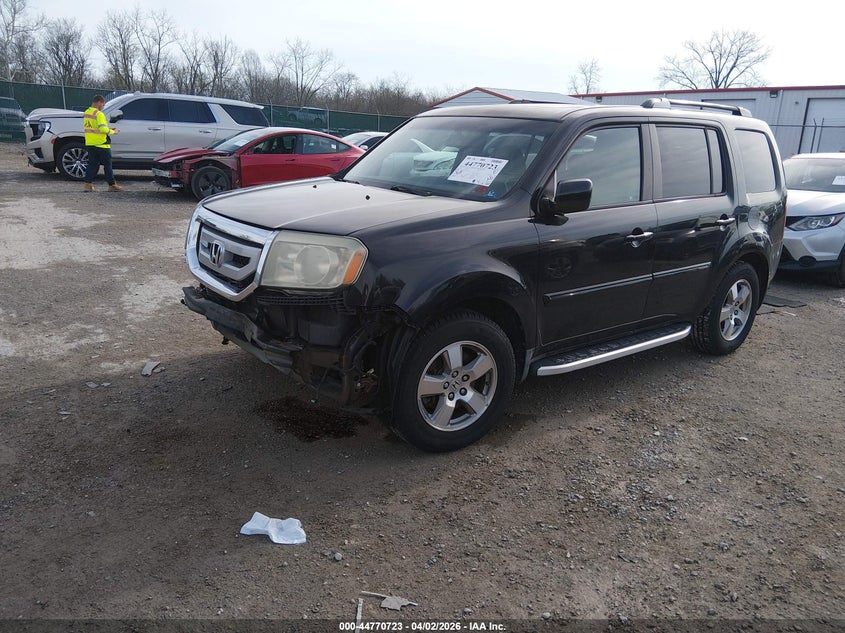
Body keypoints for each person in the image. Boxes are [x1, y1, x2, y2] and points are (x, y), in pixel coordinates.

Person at [83, 95, 123, 192]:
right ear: (99, 102)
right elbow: (102, 129)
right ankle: (112, 185)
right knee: (108, 165)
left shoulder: (87, 112)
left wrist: (108, 129)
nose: (103, 106)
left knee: (92, 165)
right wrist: (114, 131)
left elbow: (94, 127)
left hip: (90, 143)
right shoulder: (99, 114)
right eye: (103, 104)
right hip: (102, 144)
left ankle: (88, 185)